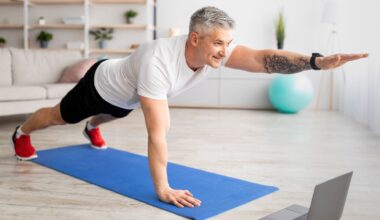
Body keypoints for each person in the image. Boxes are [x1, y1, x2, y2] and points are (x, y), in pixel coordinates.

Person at [11, 6, 368, 208]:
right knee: (60, 116)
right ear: (195, 38)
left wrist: (317, 61)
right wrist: (163, 188)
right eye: (218, 44)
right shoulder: (158, 63)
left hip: (128, 94)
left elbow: (263, 59)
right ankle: (21, 131)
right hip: (100, 85)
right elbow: (158, 133)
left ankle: (94, 127)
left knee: (118, 112)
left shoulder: (213, 50)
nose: (224, 52)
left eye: (228, 44)